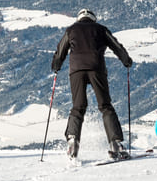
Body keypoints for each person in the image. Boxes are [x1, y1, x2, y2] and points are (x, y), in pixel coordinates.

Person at [51, 9, 133, 160]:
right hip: (97, 69)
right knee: (105, 106)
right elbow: (117, 46)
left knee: (78, 106)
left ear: (79, 18)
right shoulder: (101, 29)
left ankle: (73, 140)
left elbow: (60, 50)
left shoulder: (71, 30)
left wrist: (56, 66)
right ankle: (115, 143)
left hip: (76, 71)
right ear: (93, 19)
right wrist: (126, 61)